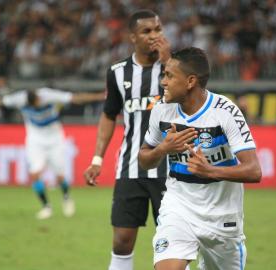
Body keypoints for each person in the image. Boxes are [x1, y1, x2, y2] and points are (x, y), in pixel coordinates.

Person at [138, 47, 262, 270]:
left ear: (190, 81)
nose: (163, 82)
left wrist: (211, 171)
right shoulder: (162, 110)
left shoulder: (225, 112)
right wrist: (162, 149)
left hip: (223, 216)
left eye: (169, 75)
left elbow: (254, 171)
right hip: (179, 207)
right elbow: (144, 159)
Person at [83, 10, 170, 270]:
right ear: (133, 37)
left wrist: (169, 62)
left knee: (172, 242)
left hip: (170, 169)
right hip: (130, 167)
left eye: (158, 29)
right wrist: (97, 158)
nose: (154, 35)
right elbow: (109, 115)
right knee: (121, 240)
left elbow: (189, 103)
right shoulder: (118, 73)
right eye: (147, 31)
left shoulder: (177, 68)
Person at [0, 87, 104, 219]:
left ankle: (66, 197)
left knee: (60, 177)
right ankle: (46, 207)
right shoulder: (19, 99)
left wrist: (99, 96)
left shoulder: (49, 95)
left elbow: (77, 98)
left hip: (55, 139)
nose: (36, 107)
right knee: (34, 174)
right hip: (35, 140)